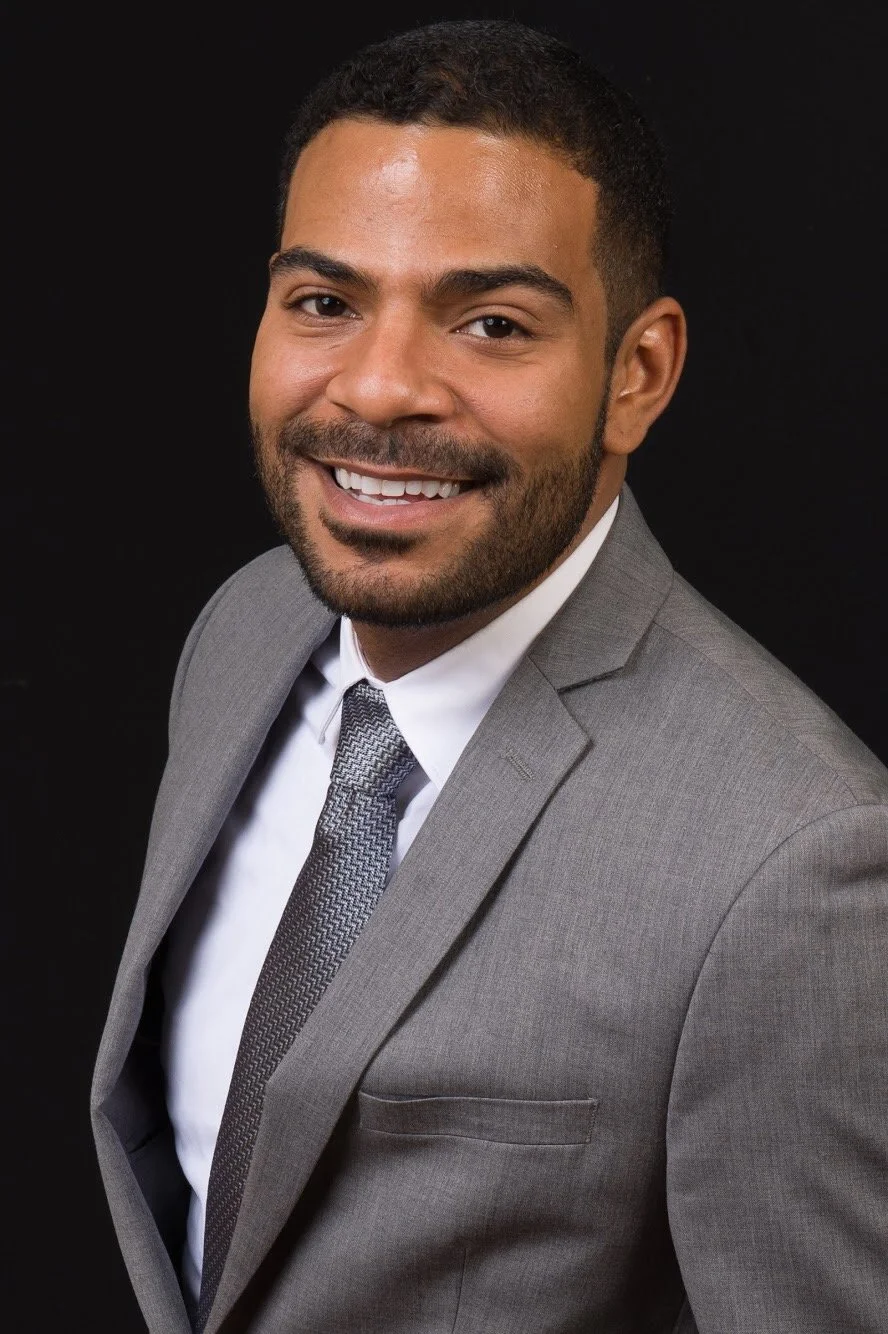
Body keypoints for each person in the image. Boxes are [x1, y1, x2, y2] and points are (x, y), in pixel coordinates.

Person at [91, 19, 888, 1334]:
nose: (384, 384)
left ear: (637, 376)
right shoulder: (240, 635)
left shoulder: (800, 868)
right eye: (325, 301)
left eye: (493, 321)